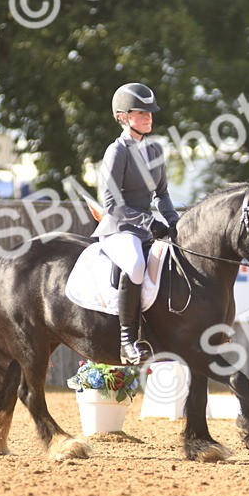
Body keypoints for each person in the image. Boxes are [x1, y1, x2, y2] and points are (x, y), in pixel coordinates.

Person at [94, 82, 180, 364]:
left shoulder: (154, 151)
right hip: (119, 229)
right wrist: (147, 222)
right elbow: (112, 204)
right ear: (123, 116)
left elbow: (163, 194)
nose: (148, 117)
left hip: (146, 227)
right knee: (135, 264)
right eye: (141, 113)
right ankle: (127, 341)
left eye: (150, 113)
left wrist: (173, 221)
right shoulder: (116, 152)